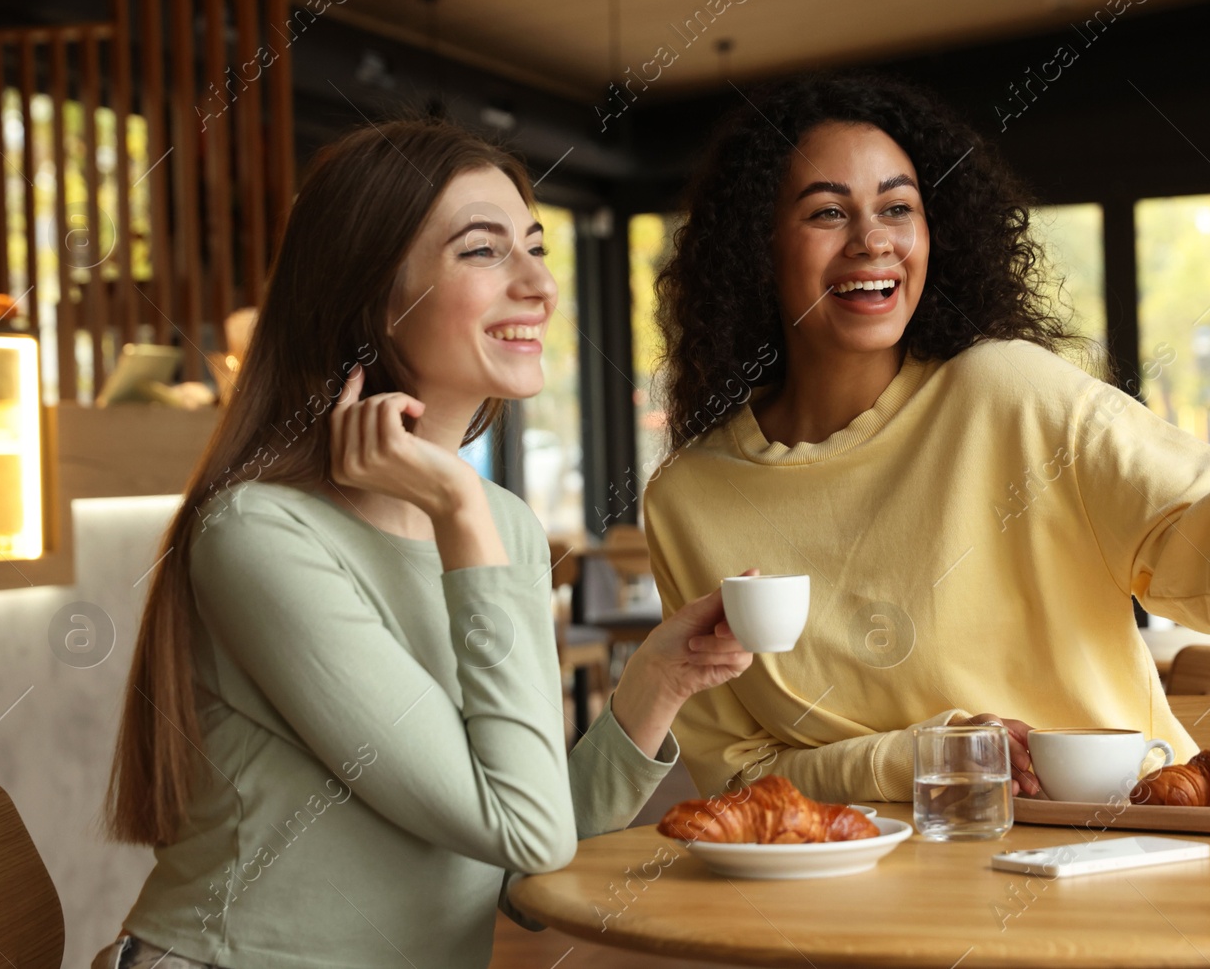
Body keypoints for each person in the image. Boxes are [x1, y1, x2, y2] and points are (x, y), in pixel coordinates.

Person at [641, 72, 1210, 804]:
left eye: (899, 206)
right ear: (758, 246)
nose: (873, 240)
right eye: (828, 211)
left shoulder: (1009, 391)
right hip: (864, 903)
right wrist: (926, 756)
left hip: (1126, 860)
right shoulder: (689, 501)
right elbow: (741, 778)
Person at [95, 120, 751, 969]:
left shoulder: (498, 521)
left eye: (536, 247)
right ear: (371, 293)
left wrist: (655, 683)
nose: (539, 286)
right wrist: (459, 507)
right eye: (482, 251)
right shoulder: (261, 536)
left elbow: (525, 864)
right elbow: (526, 823)